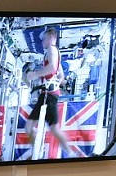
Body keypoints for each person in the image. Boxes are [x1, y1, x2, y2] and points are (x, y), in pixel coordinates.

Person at [24, 27, 71, 158]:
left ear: (51, 38)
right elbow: (61, 75)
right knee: (29, 127)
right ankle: (37, 153)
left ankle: (71, 153)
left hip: (49, 96)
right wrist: (54, 83)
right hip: (46, 94)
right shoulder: (53, 53)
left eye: (44, 39)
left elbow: (52, 68)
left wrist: (35, 74)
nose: (43, 42)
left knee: (54, 129)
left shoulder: (52, 49)